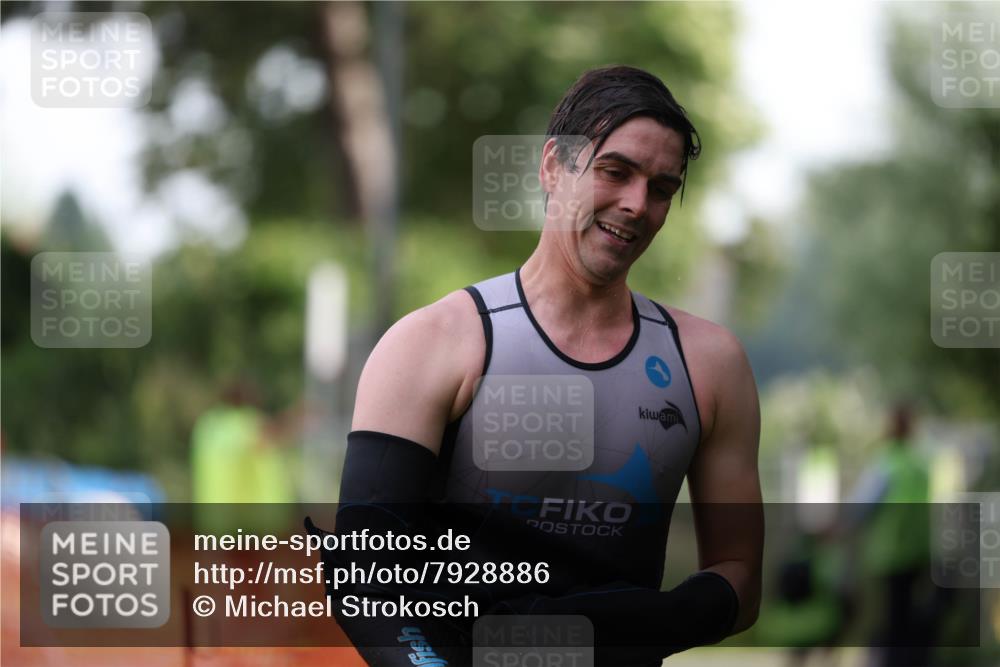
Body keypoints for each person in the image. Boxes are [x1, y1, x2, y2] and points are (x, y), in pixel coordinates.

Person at [314, 65, 763, 666]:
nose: (636, 204)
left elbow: (740, 577)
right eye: (615, 171)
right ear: (554, 166)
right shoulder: (433, 343)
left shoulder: (709, 365)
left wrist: (630, 627)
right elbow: (368, 579)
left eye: (660, 188)